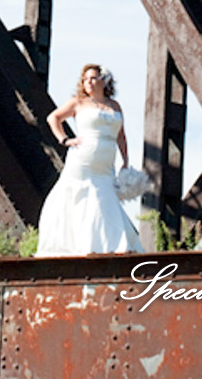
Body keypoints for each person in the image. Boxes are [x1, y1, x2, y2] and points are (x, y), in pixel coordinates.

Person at [35, 63, 141, 256]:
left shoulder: (115, 106)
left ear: (104, 80)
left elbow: (121, 135)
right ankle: (77, 244)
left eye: (93, 78)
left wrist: (126, 160)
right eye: (85, 79)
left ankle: (107, 245)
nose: (88, 82)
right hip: (82, 159)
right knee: (80, 194)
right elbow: (53, 118)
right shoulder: (78, 102)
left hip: (106, 162)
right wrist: (65, 139)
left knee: (103, 197)